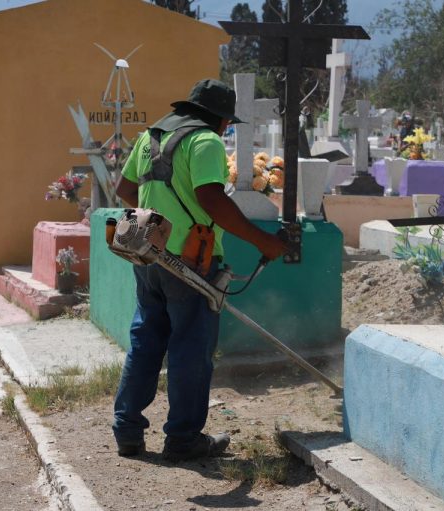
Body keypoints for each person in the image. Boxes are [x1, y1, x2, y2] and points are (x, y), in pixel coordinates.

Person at [113, 79, 287, 461]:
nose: (225, 129)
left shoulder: (151, 137)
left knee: (145, 341)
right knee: (191, 348)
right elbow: (212, 199)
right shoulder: (204, 141)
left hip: (149, 253)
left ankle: (127, 430)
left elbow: (125, 190)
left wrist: (161, 217)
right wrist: (263, 241)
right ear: (219, 119)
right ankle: (183, 438)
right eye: (226, 122)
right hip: (191, 263)